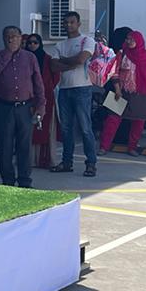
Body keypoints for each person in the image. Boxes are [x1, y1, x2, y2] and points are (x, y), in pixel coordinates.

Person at [0, 26, 45, 188]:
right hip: (4, 107)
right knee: (5, 146)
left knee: (24, 146)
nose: (11, 39)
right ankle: (8, 181)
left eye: (14, 36)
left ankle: (25, 181)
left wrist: (41, 106)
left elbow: (38, 83)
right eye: (7, 36)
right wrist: (8, 54)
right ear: (3, 39)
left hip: (25, 107)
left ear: (21, 38)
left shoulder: (30, 58)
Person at [98, 31, 146, 155]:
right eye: (127, 39)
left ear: (139, 41)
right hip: (120, 91)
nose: (129, 42)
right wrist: (117, 88)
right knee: (112, 119)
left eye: (132, 39)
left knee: (139, 122)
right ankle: (103, 146)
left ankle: (132, 147)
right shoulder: (122, 53)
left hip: (141, 93)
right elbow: (114, 71)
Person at [49, 11, 98, 177]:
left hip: (82, 88)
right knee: (66, 128)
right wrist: (71, 62)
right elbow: (53, 67)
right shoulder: (59, 45)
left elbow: (81, 60)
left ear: (78, 24)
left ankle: (91, 163)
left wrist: (64, 60)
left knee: (85, 128)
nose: (69, 25)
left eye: (72, 22)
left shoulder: (87, 41)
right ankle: (67, 162)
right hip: (64, 89)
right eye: (66, 22)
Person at [24, 33, 60, 168]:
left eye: (35, 42)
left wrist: (46, 89)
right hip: (26, 99)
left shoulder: (48, 59)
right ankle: (29, 160)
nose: (32, 45)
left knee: (45, 129)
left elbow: (56, 77)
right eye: (30, 43)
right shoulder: (22, 59)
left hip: (45, 99)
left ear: (40, 44)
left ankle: (45, 159)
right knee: (28, 130)